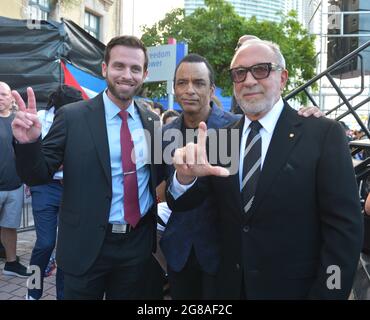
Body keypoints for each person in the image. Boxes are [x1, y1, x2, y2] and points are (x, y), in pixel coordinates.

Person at [167, 39, 363, 299]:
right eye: (239, 73)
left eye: (261, 69)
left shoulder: (323, 135)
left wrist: (330, 291)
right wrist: (184, 176)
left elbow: (344, 231)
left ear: (282, 78)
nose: (248, 81)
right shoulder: (219, 139)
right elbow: (185, 202)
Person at [11, 35, 163, 299]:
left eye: (135, 68)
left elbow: (160, 178)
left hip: (135, 249)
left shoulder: (152, 122)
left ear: (145, 74)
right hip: (84, 247)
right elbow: (37, 174)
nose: (127, 75)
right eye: (119, 66)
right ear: (104, 68)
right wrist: (29, 144)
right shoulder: (72, 116)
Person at [161, 53, 241, 299]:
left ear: (212, 88)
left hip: (225, 253)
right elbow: (161, 187)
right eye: (182, 83)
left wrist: (307, 114)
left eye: (199, 83)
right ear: (174, 88)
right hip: (179, 250)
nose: (189, 90)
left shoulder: (238, 127)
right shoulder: (164, 133)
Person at [26, 85, 83, 300]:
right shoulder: (39, 118)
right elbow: (36, 158)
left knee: (66, 247)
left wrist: (57, 160)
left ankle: (63, 295)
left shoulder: (81, 119)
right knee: (45, 243)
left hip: (72, 188)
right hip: (45, 187)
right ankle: (33, 291)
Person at [0, 81, 30, 277]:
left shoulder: (17, 121)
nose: (0, 98)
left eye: (3, 94)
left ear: (11, 98)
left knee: (10, 227)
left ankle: (11, 263)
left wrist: (27, 179)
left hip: (15, 185)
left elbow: (25, 153)